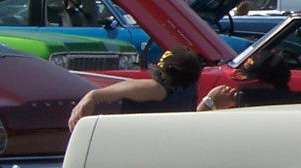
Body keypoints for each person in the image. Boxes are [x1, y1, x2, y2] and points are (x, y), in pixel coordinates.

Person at [67, 47, 205, 129]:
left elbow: (139, 87)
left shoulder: (159, 90)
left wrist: (92, 96)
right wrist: (209, 103)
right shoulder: (188, 91)